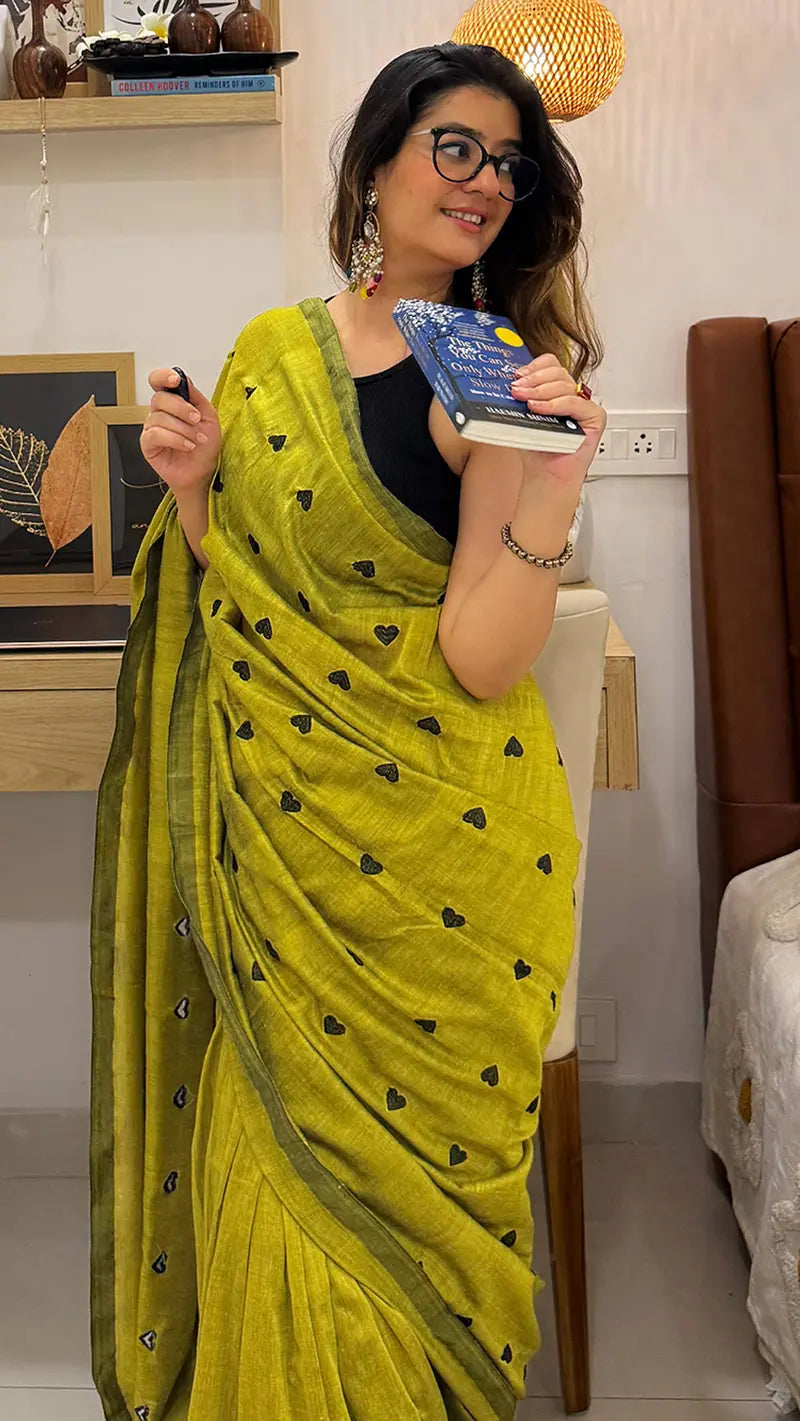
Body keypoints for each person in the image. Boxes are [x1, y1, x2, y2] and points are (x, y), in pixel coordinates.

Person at [90, 41, 606, 1421]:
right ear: (375, 163)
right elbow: (245, 586)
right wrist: (194, 494)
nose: (483, 182)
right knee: (270, 1164)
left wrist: (558, 473)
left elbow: (479, 654)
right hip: (286, 850)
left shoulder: (500, 369)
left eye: (507, 163)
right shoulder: (272, 353)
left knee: (399, 1244)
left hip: (439, 854)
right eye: (455, 147)